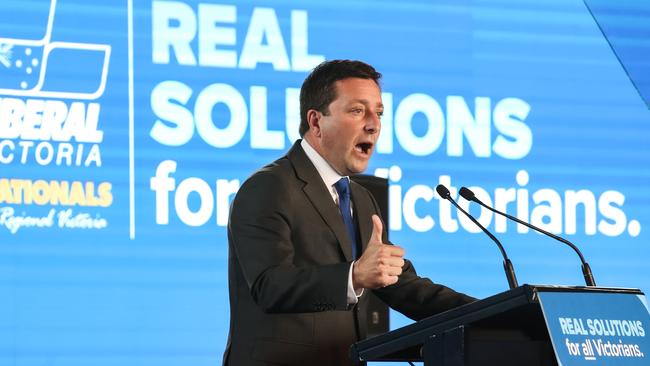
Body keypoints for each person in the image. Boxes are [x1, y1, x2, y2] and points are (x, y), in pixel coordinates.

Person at [223, 60, 475, 366]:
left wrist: (495, 314)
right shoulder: (269, 187)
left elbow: (399, 284)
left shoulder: (360, 197)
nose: (374, 124)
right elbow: (269, 286)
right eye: (357, 111)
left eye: (379, 113)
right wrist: (353, 275)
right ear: (315, 122)